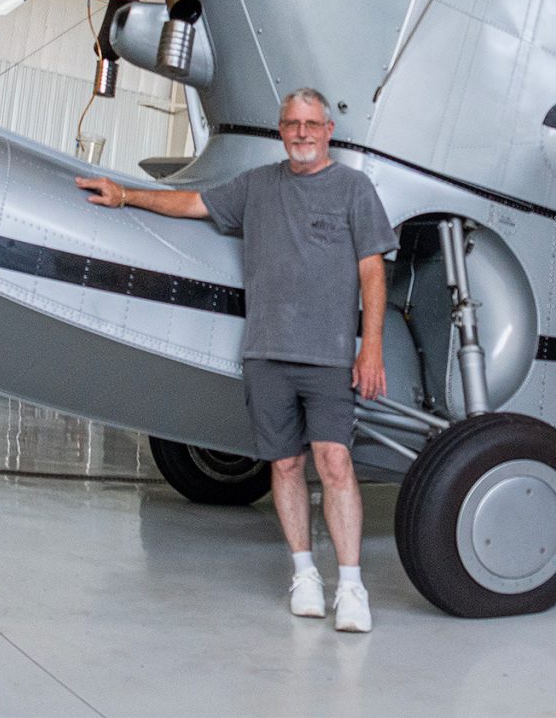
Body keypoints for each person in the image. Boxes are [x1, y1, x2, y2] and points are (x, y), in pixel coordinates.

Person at [76, 88, 392, 632]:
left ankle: (351, 586)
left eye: (311, 124)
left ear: (328, 131)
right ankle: (304, 575)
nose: (301, 133)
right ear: (281, 130)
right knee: (284, 465)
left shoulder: (353, 189)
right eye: (291, 124)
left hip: (328, 358)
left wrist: (372, 347)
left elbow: (372, 270)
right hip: (266, 353)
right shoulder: (257, 186)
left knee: (335, 464)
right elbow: (192, 203)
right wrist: (125, 195)